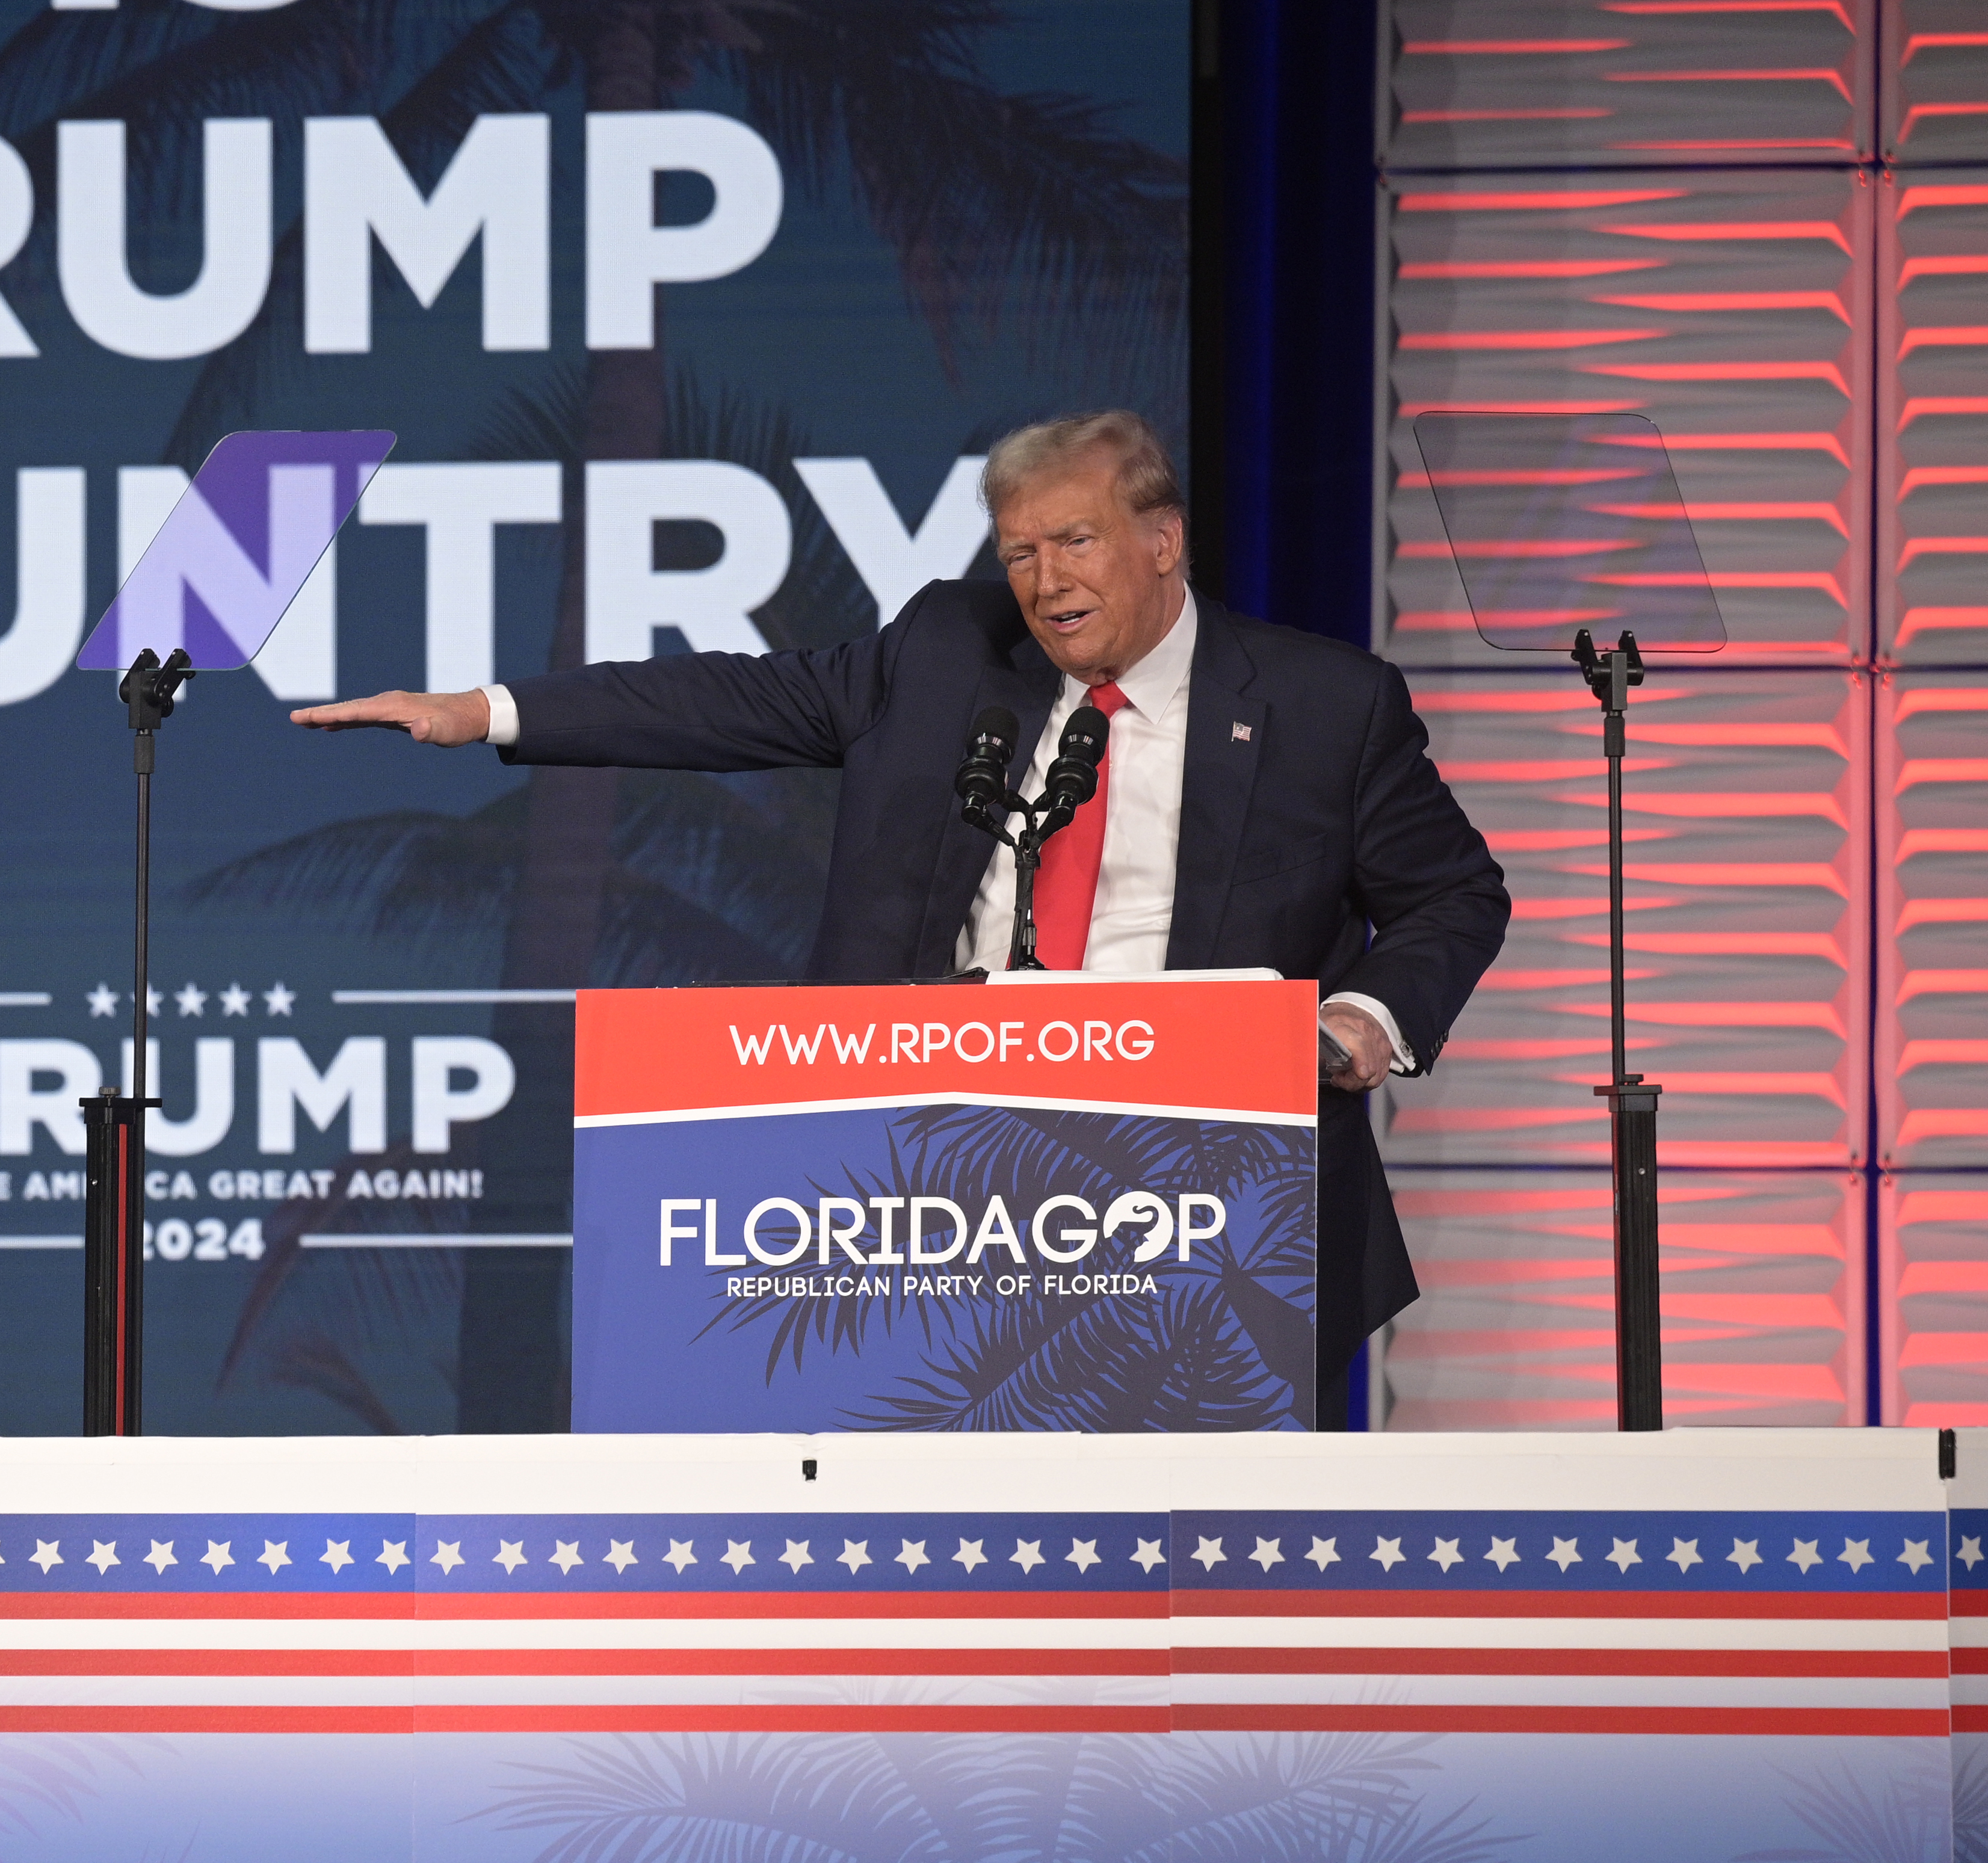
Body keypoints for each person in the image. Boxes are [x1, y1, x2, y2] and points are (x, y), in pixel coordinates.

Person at [295, 411, 1508, 1390]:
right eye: (1021, 553)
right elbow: (727, 702)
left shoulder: (1322, 704)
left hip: (1203, 1187)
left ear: (1162, 541)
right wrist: (488, 711)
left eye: (1076, 542)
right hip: (932, 1184)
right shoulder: (947, 648)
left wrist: (1361, 1023)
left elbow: (1452, 893)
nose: (1044, 582)